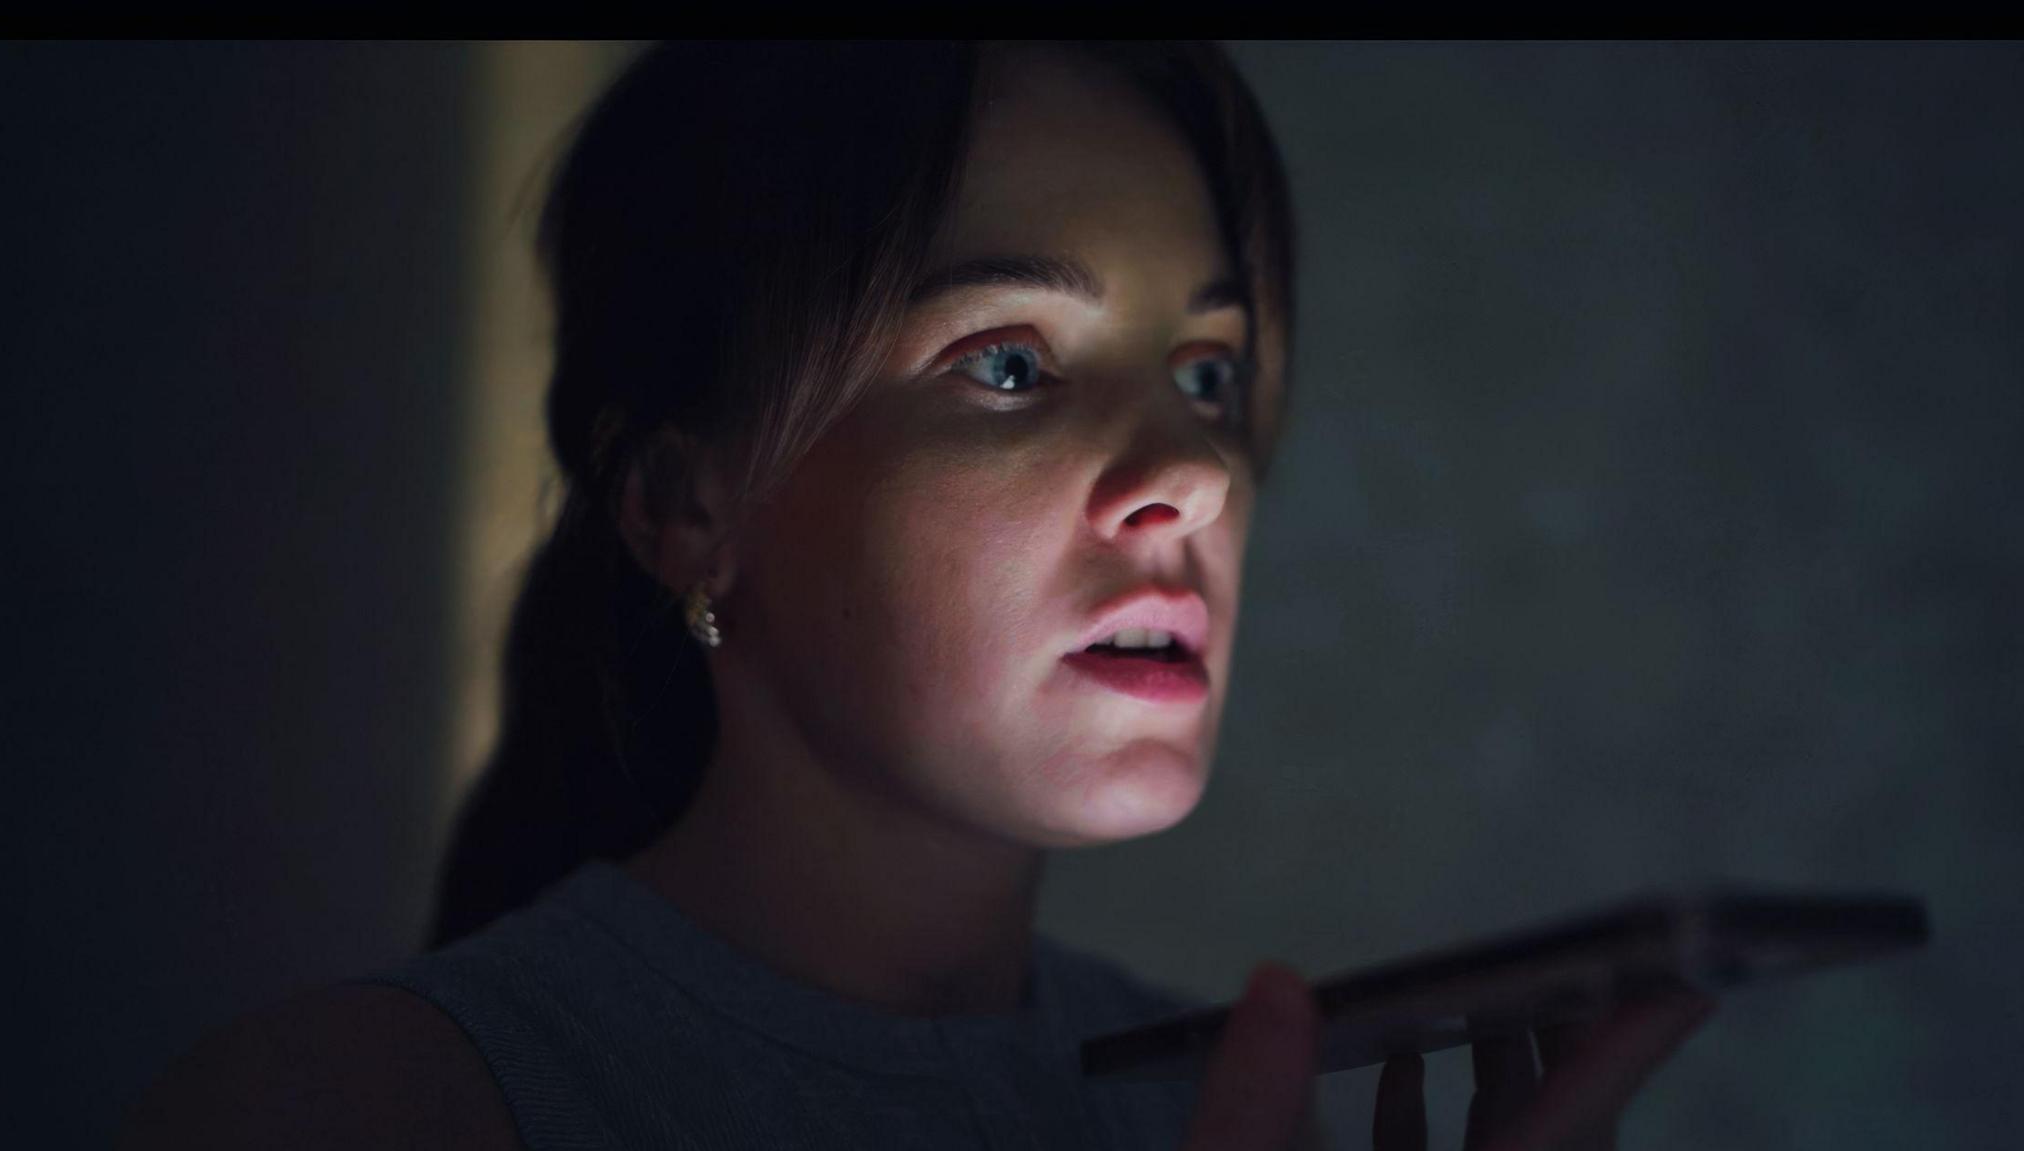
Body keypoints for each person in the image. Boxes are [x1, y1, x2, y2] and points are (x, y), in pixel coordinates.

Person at [123, 40, 1714, 1151]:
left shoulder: (1210, 1105)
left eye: (1208, 371)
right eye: (1009, 363)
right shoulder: (344, 1113)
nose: (1204, 473)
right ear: (687, 507)